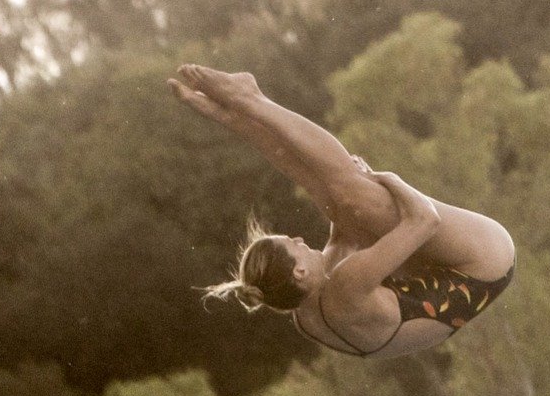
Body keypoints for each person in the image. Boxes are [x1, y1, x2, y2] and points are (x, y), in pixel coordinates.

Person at [168, 64, 515, 359]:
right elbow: (424, 220)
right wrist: (387, 179)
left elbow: (342, 229)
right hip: (484, 260)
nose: (302, 239)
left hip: (436, 272)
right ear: (300, 272)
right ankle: (251, 100)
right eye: (295, 244)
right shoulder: (347, 285)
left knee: (336, 199)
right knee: (350, 195)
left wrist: (350, 189)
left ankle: (233, 116)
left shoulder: (306, 315)